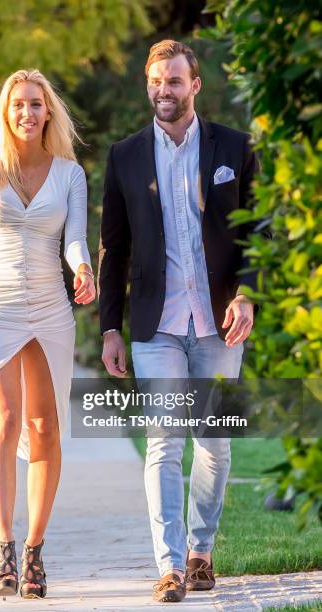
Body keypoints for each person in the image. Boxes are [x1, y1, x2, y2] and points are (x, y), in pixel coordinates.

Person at [98, 40, 258, 603]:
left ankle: (200, 554)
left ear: (195, 86)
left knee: (214, 443)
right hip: (156, 322)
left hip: (218, 321)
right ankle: (167, 565)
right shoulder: (125, 156)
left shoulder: (235, 148)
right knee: (164, 442)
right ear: (148, 86)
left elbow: (256, 232)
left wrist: (246, 293)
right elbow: (112, 248)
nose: (163, 90)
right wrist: (109, 328)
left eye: (174, 81)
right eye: (155, 82)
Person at [0, 69, 95, 600]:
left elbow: (74, 239)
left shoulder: (70, 174)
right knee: (5, 422)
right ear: (5, 114)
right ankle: (4, 546)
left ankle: (34, 552)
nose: (27, 113)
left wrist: (83, 269)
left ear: (48, 111)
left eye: (36, 104)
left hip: (50, 306)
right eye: (18, 105)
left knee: (46, 430)